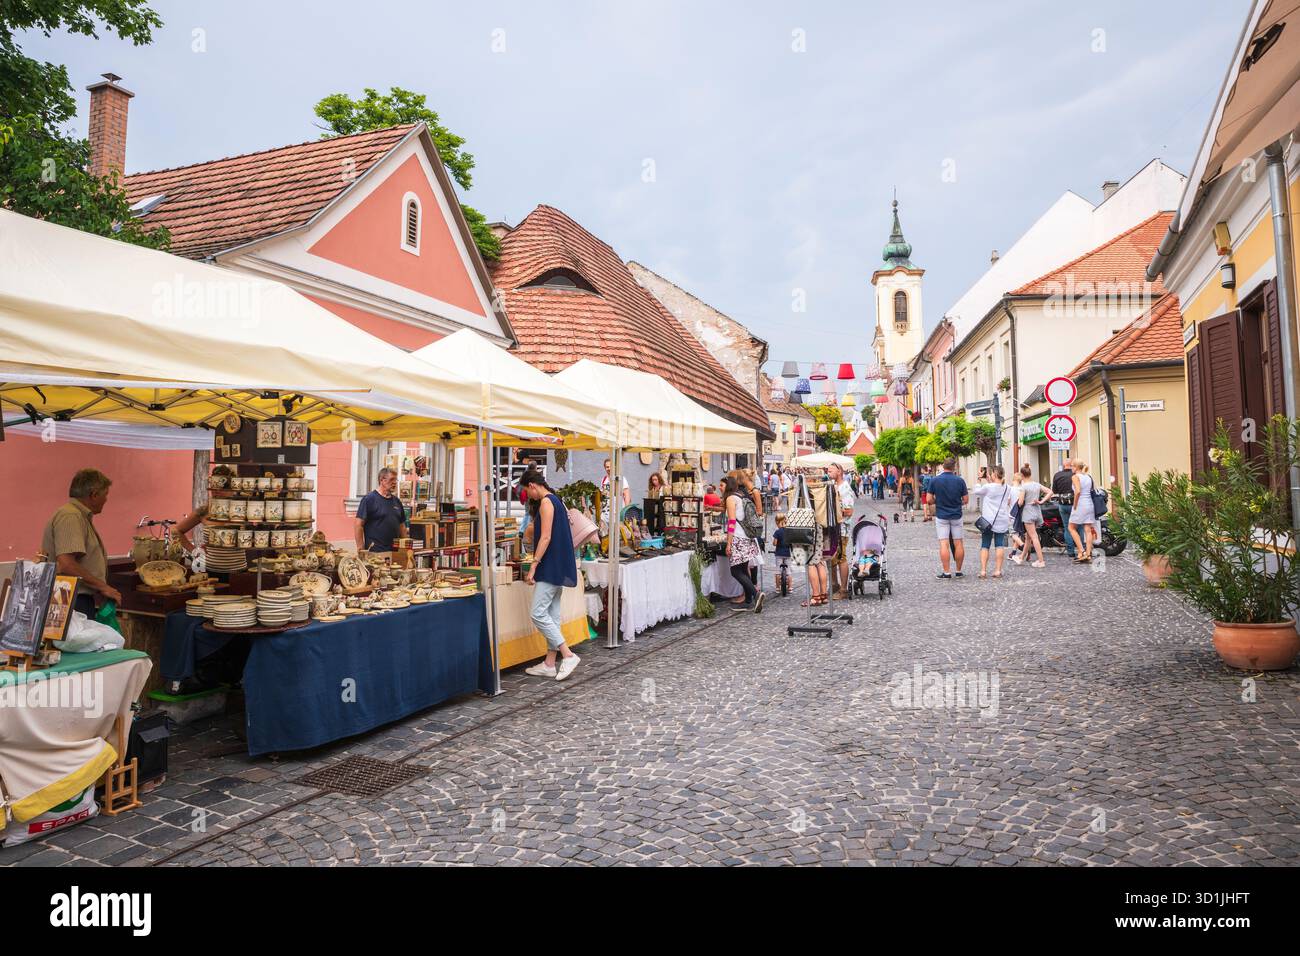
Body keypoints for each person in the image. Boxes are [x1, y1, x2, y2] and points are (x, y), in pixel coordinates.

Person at [521, 472, 581, 680]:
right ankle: (549, 663)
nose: (528, 495)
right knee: (552, 614)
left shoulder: (547, 503)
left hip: (551, 564)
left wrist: (533, 565)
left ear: (532, 485)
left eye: (526, 491)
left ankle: (568, 654)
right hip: (559, 564)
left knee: (538, 613)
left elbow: (545, 536)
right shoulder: (557, 500)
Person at [40, 468, 120, 616]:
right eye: (105, 494)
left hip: (74, 597)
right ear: (94, 494)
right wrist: (103, 587)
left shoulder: (77, 515)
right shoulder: (71, 516)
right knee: (72, 640)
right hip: (70, 599)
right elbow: (66, 564)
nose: (106, 500)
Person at [723, 474, 763, 611]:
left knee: (735, 571)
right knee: (743, 569)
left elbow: (732, 521)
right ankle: (748, 600)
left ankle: (756, 594)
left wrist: (729, 543)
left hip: (738, 538)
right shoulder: (742, 496)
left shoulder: (730, 499)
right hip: (747, 538)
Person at [971, 465, 1015, 579]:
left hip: (987, 521)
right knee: (999, 545)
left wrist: (979, 479)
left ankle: (983, 571)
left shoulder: (988, 487)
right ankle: (998, 570)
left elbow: (977, 491)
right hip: (1001, 519)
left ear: (994, 474)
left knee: (985, 545)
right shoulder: (1007, 487)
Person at [930, 457, 969, 579]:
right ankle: (958, 571)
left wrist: (939, 501)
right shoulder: (960, 481)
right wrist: (957, 503)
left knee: (944, 543)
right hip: (956, 515)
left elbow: (929, 500)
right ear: (954, 467)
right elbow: (966, 500)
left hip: (942, 515)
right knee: (958, 543)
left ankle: (946, 572)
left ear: (943, 466)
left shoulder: (935, 480)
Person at [354, 466, 407, 553]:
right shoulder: (369, 499)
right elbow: (358, 525)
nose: (394, 483)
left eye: (396, 480)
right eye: (392, 479)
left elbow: (402, 527)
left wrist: (406, 549)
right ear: (382, 480)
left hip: (395, 553)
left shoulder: (397, 501)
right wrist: (361, 548)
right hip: (375, 553)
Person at [1012, 464, 1050, 568]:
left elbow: (1020, 503)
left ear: (1022, 475)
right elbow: (1050, 492)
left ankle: (1041, 561)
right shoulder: (1037, 484)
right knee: (1028, 537)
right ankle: (1020, 558)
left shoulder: (1023, 487)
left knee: (1034, 537)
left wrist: (1019, 501)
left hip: (1028, 513)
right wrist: (1041, 501)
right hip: (1037, 512)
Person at [827, 461, 855, 598]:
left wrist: (834, 512)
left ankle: (844, 590)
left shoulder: (845, 488)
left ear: (839, 472)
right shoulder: (832, 486)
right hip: (833, 528)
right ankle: (834, 585)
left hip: (842, 529)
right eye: (828, 470)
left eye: (831, 470)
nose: (828, 472)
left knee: (841, 558)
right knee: (832, 557)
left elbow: (849, 511)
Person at [1070, 460, 1098, 562]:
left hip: (1081, 504)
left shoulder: (1075, 477)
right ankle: (1088, 553)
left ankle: (1081, 551)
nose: (1071, 468)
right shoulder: (1088, 477)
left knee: (1071, 527)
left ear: (1076, 467)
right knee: (1087, 529)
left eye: (1072, 466)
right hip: (1089, 504)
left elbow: (1077, 491)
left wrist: (1075, 504)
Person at [1051, 459, 1078, 558]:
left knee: (1067, 527)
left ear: (1063, 465)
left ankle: (1070, 551)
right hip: (1075, 504)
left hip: (1063, 504)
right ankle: (1081, 549)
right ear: (1071, 465)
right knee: (1079, 527)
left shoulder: (1057, 475)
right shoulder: (1075, 475)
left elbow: (1054, 490)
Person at [771, 514, 792, 594]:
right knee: (789, 571)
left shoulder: (777, 532)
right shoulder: (789, 531)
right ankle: (790, 587)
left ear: (777, 522)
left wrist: (775, 542)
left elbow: (775, 543)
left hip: (779, 553)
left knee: (777, 571)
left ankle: (777, 588)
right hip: (787, 554)